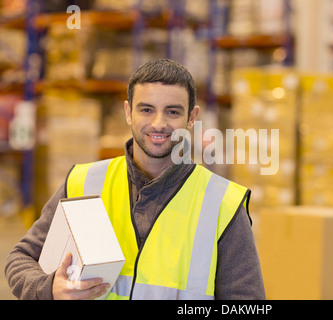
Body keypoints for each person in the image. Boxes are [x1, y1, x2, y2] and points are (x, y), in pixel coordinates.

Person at [5, 59, 266, 300]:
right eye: (146, 109)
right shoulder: (83, 182)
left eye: (173, 112)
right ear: (128, 112)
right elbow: (20, 258)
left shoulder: (222, 203)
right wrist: (48, 288)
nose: (158, 123)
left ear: (192, 118)